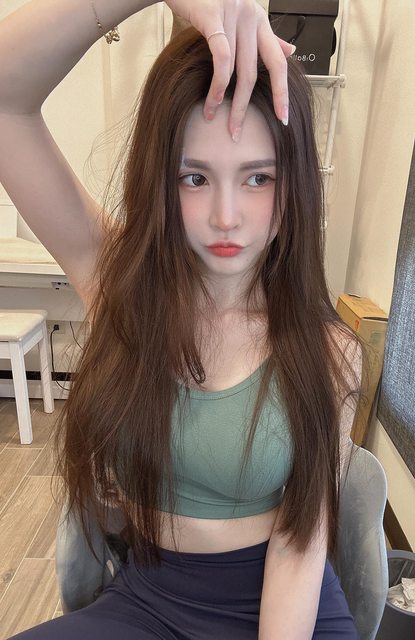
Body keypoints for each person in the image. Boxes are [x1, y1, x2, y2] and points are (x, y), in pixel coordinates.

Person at [0, 0, 362, 638]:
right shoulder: (118, 283)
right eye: (195, 178)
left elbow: (300, 544)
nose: (226, 216)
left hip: (280, 604)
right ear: (161, 182)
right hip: (151, 597)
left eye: (257, 179)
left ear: (295, 185)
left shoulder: (330, 352)